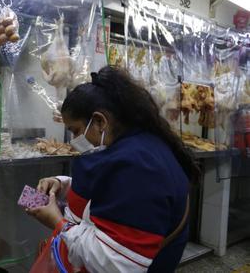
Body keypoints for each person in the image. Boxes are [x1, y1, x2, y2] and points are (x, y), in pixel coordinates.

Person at [27, 66, 198, 273]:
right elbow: (115, 193)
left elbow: (116, 263)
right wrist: (62, 185)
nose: (74, 142)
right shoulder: (137, 147)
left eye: (76, 131)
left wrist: (57, 221)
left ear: (99, 121)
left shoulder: (138, 166)